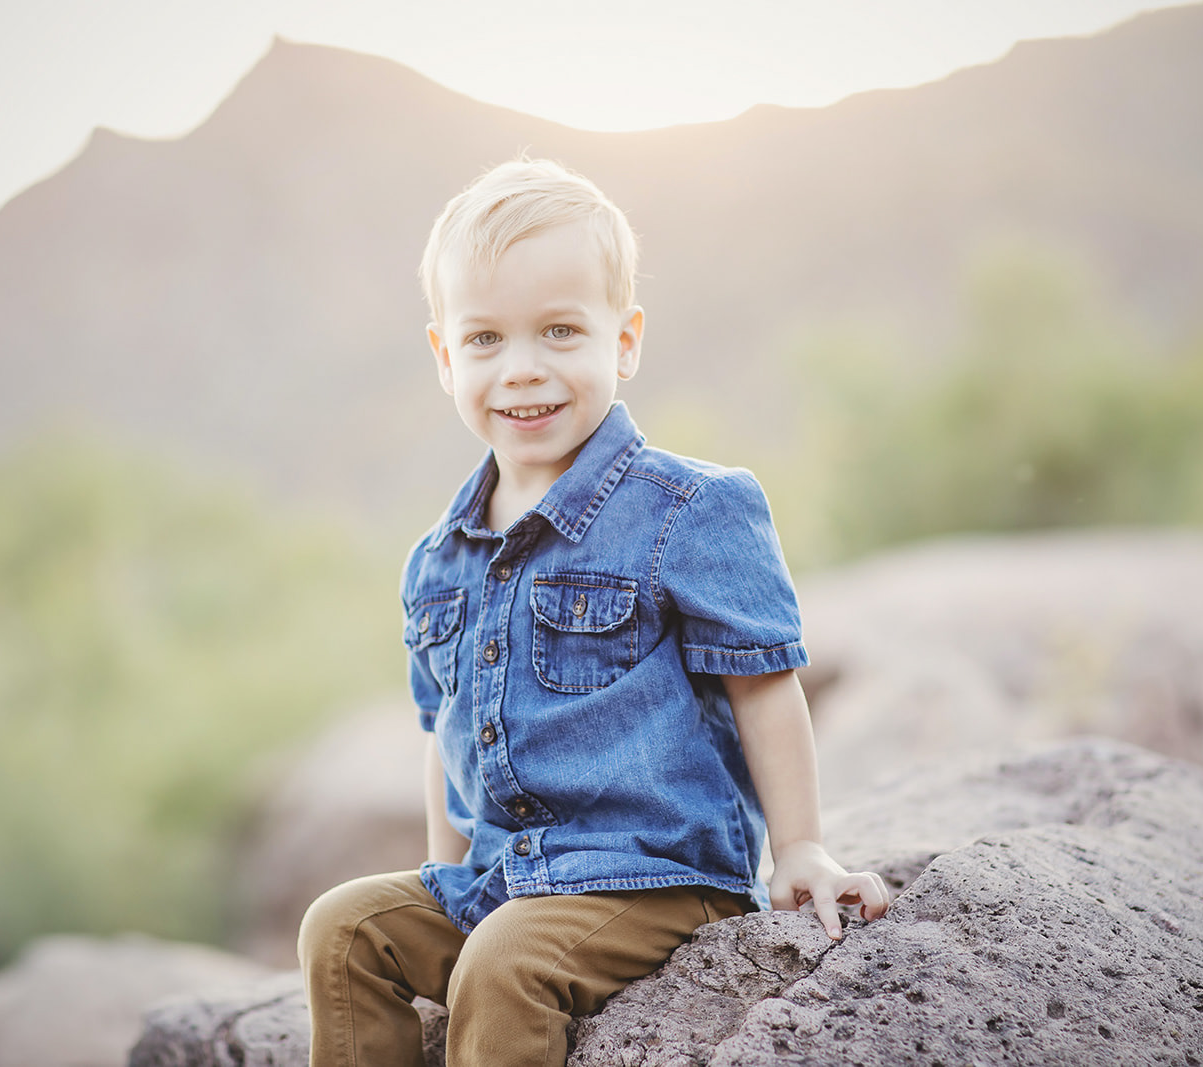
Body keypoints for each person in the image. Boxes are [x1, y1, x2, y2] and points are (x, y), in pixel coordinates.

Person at [297, 158, 890, 1067]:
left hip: (656, 875)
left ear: (625, 340)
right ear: (445, 357)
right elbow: (444, 733)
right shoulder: (438, 558)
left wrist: (801, 846)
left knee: (502, 964)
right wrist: (446, 874)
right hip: (505, 878)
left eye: (560, 331)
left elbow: (765, 686)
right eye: (486, 338)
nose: (522, 369)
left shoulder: (687, 509)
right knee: (343, 928)